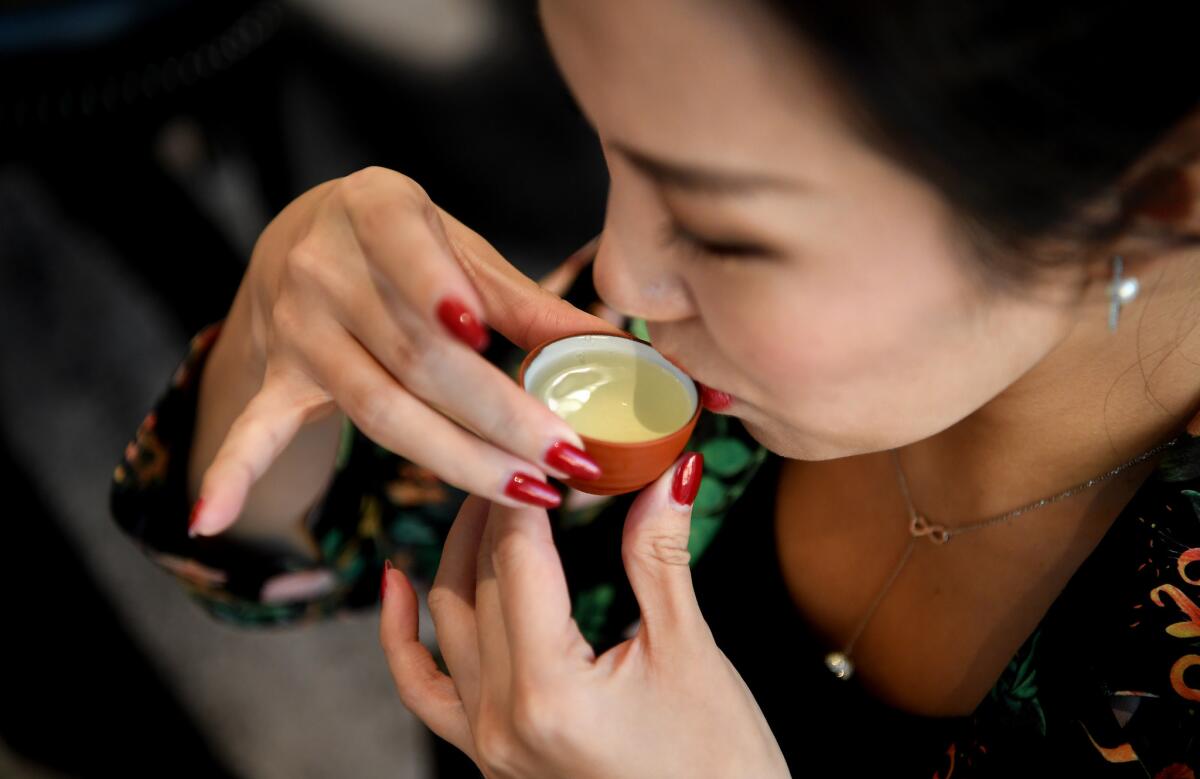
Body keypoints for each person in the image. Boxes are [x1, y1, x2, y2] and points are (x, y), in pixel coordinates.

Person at [111, 0, 1200, 775]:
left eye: (727, 229)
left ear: (1160, 192)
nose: (620, 276)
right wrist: (282, 320)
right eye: (611, 151)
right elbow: (289, 552)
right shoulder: (667, 342)